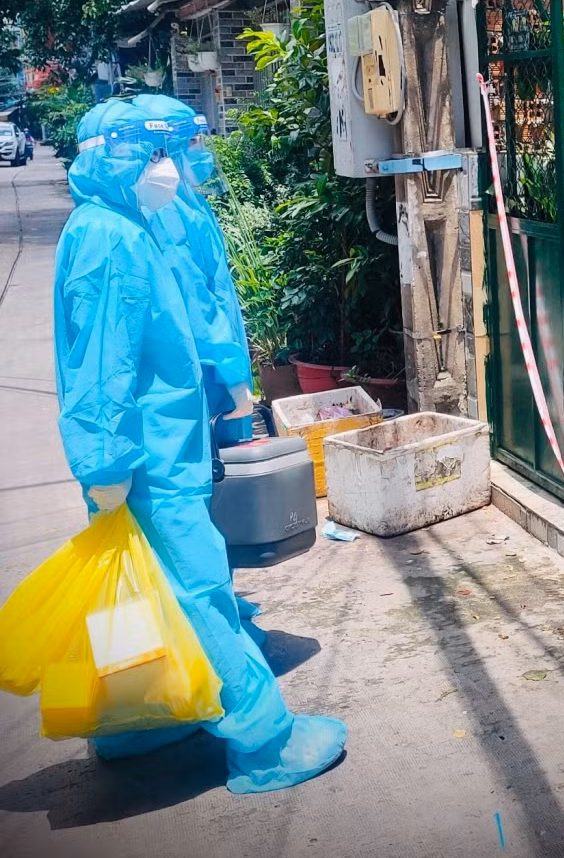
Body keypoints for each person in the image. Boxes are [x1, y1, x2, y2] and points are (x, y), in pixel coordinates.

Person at [53, 98, 346, 792]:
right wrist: (105, 463)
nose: (167, 169)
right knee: (199, 592)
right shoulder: (111, 238)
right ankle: (265, 743)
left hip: (145, 449)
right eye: (149, 155)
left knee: (138, 593)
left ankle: (139, 720)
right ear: (112, 159)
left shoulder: (118, 225)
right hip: (147, 454)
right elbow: (101, 368)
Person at [132, 93, 259, 625]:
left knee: (197, 510)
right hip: (191, 382)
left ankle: (221, 608)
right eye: (194, 141)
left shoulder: (181, 202)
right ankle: (212, 628)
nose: (203, 151)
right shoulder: (171, 211)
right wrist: (233, 378)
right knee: (186, 522)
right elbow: (201, 304)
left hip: (190, 383)